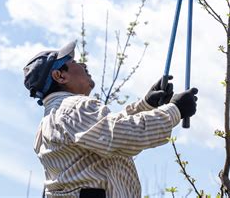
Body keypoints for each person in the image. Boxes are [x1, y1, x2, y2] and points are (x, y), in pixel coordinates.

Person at [23, 41, 199, 198]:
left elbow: (102, 133)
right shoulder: (73, 107)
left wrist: (146, 105)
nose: (83, 64)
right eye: (74, 62)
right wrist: (175, 110)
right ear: (59, 76)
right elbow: (122, 136)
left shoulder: (49, 121)